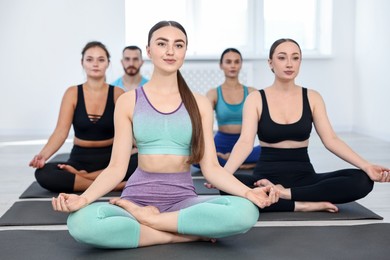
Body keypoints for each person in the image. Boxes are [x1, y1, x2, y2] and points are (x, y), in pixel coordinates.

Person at [52, 20, 279, 249]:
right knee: (80, 223)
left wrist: (249, 193)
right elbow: (116, 168)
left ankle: (153, 222)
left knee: (246, 212)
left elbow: (211, 168)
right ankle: (179, 234)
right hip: (136, 199)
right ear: (149, 51)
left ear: (184, 52)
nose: (171, 51)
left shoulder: (199, 104)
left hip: (183, 201)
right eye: (162, 44)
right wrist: (84, 199)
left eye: (178, 45)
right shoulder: (128, 102)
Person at [222, 38, 390, 213]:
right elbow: (245, 142)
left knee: (362, 180)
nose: (289, 64)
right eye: (282, 58)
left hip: (305, 178)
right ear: (270, 63)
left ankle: (285, 195)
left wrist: (366, 165)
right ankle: (304, 204)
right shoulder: (255, 99)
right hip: (264, 180)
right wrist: (224, 176)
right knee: (227, 187)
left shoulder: (312, 97)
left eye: (295, 58)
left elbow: (331, 139)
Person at [29, 41, 137, 192]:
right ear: (82, 63)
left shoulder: (118, 94)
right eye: (89, 59)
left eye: (101, 60)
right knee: (43, 173)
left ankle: (85, 178)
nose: (95, 64)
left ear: (108, 63)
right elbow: (60, 132)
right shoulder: (72, 93)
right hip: (79, 159)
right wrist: (42, 156)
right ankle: (114, 185)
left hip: (111, 159)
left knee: (141, 161)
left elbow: (130, 131)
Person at [205, 48, 260, 169]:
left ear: (241, 64)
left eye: (236, 62)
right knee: (198, 156)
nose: (233, 65)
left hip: (245, 144)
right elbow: (204, 124)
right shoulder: (213, 93)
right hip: (221, 144)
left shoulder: (252, 92)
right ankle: (242, 164)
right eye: (228, 62)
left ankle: (232, 162)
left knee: (270, 151)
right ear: (221, 65)